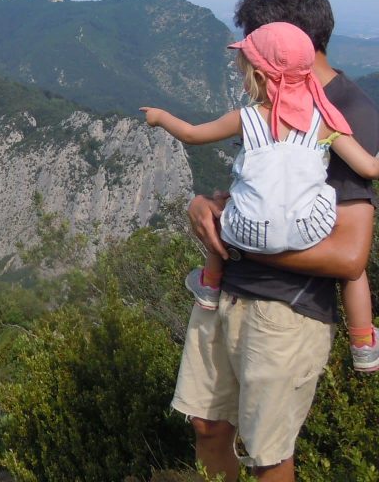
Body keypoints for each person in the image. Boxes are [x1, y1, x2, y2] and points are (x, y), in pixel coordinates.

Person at [170, 0, 379, 482]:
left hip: (285, 312)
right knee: (206, 424)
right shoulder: (270, 110)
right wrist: (203, 207)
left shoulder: (347, 115)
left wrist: (238, 245)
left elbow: (350, 257)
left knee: (267, 455)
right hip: (228, 295)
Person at [141, 21, 379, 373]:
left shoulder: (246, 118)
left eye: (245, 72)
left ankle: (209, 285)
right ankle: (363, 344)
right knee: (355, 274)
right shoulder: (326, 122)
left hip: (247, 233)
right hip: (308, 231)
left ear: (263, 78)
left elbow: (191, 135)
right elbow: (370, 169)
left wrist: (160, 117)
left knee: (220, 208)